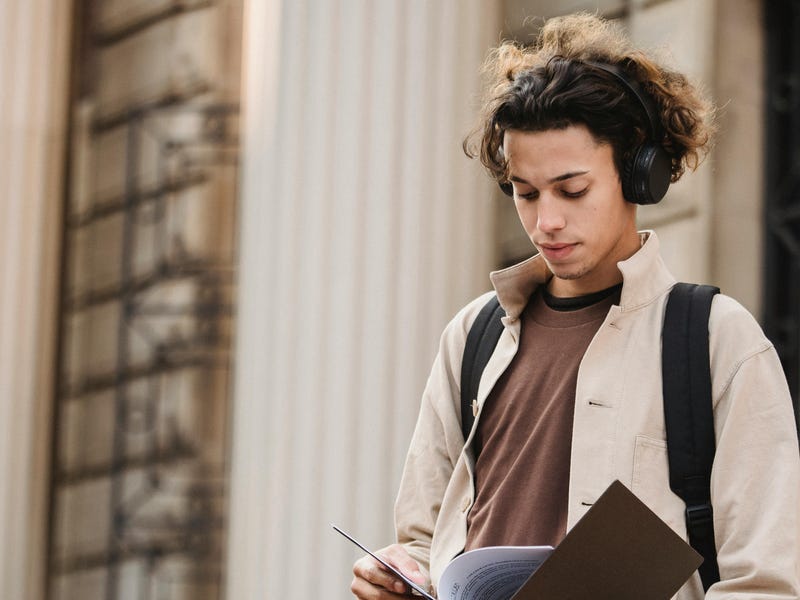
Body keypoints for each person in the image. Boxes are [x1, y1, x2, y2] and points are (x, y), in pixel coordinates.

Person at [351, 12, 800, 600]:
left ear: (642, 175)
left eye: (573, 189)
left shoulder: (718, 341)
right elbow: (419, 542)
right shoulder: (473, 335)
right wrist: (397, 578)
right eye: (525, 193)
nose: (547, 221)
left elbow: (763, 585)